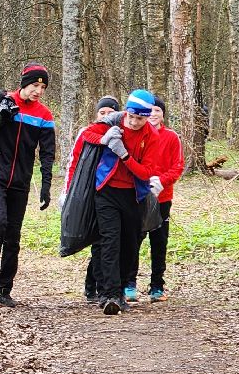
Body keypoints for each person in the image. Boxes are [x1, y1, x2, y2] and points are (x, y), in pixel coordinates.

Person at [0, 63, 57, 307]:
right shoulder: (6, 102)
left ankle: (5, 288)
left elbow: (47, 153)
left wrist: (46, 185)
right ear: (24, 83)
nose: (38, 90)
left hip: (20, 182)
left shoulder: (44, 116)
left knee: (13, 236)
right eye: (35, 85)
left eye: (43, 87)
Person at [67, 90, 162, 315]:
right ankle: (109, 295)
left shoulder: (151, 136)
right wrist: (104, 138)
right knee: (109, 240)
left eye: (140, 118)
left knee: (129, 244)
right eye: (132, 116)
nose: (135, 122)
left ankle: (119, 292)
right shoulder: (114, 120)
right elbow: (87, 135)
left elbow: (145, 171)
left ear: (147, 117)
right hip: (106, 191)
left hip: (133, 195)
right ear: (126, 111)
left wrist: (125, 156)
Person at [131, 97, 184, 303]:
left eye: (157, 111)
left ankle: (156, 287)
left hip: (162, 197)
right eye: (150, 111)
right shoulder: (135, 134)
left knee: (159, 241)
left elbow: (177, 166)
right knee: (134, 240)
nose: (153, 114)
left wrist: (161, 182)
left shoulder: (171, 137)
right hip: (137, 196)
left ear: (162, 114)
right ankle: (129, 284)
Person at [75, 96, 122, 303]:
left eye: (110, 112)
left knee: (106, 241)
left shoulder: (121, 133)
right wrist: (67, 192)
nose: (105, 116)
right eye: (102, 113)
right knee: (97, 241)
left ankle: (103, 288)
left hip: (110, 195)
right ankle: (91, 285)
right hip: (88, 193)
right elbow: (74, 160)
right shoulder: (88, 132)